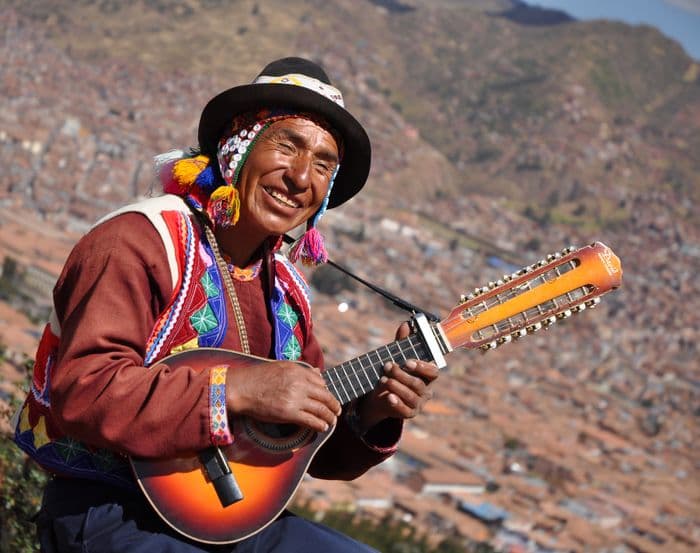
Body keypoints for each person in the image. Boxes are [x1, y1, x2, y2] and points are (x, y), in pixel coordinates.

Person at [12, 57, 439, 552]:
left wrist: (373, 413)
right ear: (237, 146)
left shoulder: (287, 295)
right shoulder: (140, 242)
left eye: (323, 164)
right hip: (107, 509)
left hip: (228, 515)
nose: (301, 177)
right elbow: (86, 391)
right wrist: (237, 389)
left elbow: (300, 448)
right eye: (287, 145)